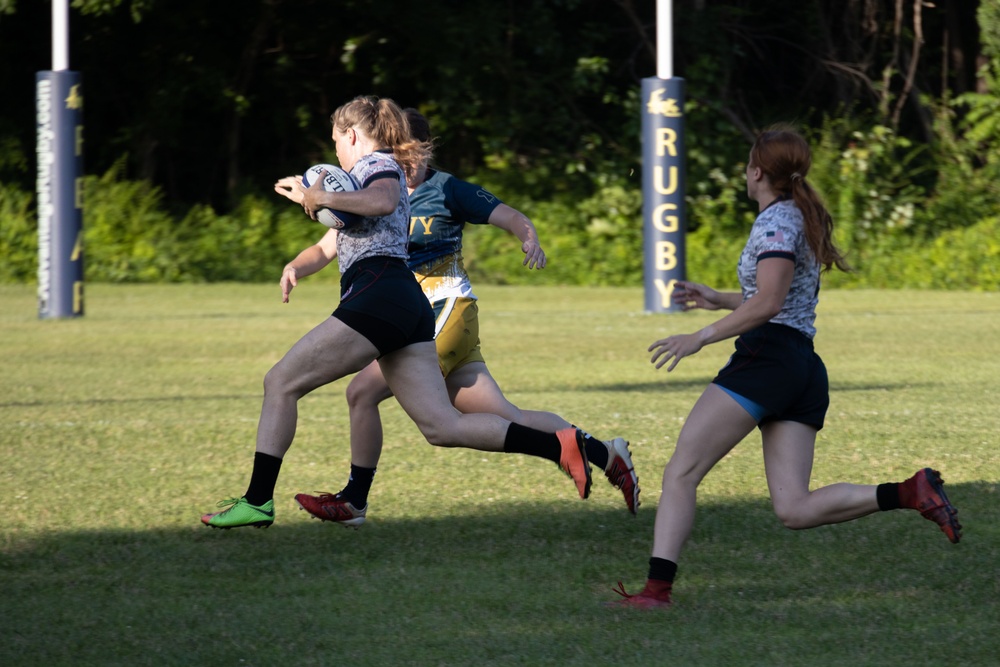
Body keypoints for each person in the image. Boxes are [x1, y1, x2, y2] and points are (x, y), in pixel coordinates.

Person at [201, 95, 594, 529]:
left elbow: (383, 200)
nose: (335, 151)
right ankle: (559, 447)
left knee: (281, 381)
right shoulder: (362, 178)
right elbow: (347, 224)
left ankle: (259, 501)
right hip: (405, 301)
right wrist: (308, 216)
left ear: (351, 135)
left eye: (336, 141)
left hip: (381, 296)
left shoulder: (377, 166)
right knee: (443, 427)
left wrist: (322, 194)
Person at [609, 125, 961, 608]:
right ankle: (908, 492)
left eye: (747, 164)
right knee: (794, 508)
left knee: (682, 472)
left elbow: (770, 302)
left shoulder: (775, 223)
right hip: (800, 366)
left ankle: (655, 591)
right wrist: (719, 300)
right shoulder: (797, 216)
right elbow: (778, 298)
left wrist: (700, 337)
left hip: (767, 360)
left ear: (757, 172)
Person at [289, 109, 639, 527]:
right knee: (509, 417)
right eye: (399, 154)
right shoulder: (374, 192)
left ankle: (354, 501)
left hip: (446, 312)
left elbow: (508, 215)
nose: (407, 163)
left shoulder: (446, 190)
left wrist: (529, 237)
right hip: (414, 319)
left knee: (363, 393)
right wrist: (295, 265)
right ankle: (605, 452)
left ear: (426, 150)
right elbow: (326, 247)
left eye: (414, 154)